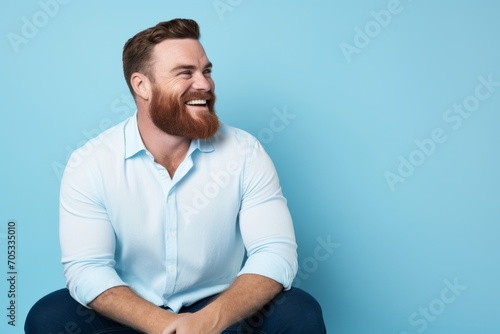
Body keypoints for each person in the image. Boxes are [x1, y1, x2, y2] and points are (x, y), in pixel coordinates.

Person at [25, 18, 326, 334]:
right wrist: (165, 325)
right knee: (48, 318)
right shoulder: (90, 163)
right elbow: (88, 269)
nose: (205, 84)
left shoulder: (245, 152)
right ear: (142, 85)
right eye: (186, 73)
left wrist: (207, 322)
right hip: (131, 314)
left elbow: (275, 253)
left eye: (206, 71)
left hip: (218, 309)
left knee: (299, 312)